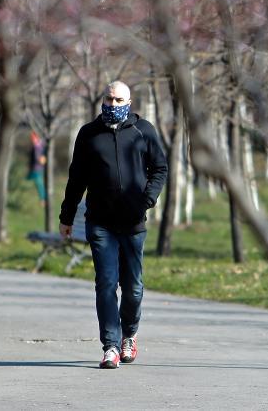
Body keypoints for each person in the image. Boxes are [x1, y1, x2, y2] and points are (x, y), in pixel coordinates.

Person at [59, 80, 168, 369]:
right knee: (106, 283)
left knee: (133, 288)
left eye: (119, 100)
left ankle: (128, 336)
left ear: (129, 102)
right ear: (102, 100)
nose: (113, 105)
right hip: (100, 223)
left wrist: (146, 201)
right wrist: (66, 217)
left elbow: (160, 169)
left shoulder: (143, 131)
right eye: (109, 99)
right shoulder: (88, 134)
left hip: (133, 223)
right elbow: (76, 179)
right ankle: (110, 345)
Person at [27, 131, 48, 206]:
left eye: (33, 138)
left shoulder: (39, 146)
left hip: (38, 169)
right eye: (31, 138)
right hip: (33, 169)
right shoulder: (35, 146)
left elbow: (41, 158)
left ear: (37, 138)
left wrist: (42, 159)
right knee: (28, 180)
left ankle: (43, 199)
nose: (32, 140)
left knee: (39, 184)